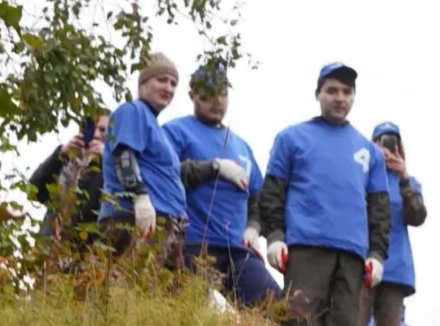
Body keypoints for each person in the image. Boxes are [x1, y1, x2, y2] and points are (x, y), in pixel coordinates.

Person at [252, 62, 391, 326]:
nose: (339, 97)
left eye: (346, 91)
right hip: (306, 248)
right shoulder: (291, 138)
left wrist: (378, 254)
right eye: (332, 90)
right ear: (318, 94)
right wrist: (274, 237)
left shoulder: (370, 152)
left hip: (352, 254)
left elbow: (379, 209)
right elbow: (272, 192)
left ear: (354, 96)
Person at [162, 64, 280, 306]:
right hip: (193, 245)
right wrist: (214, 167)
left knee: (277, 308)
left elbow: (258, 198)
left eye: (223, 94)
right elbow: (163, 175)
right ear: (192, 95)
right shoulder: (175, 131)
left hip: (237, 249)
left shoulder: (242, 145)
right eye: (208, 94)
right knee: (188, 313)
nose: (217, 101)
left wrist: (254, 227)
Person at [99, 56, 189, 266]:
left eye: (173, 83)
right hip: (136, 219)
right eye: (161, 80)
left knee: (164, 296)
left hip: (167, 223)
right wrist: (139, 196)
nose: (168, 88)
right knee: (130, 289)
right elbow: (124, 155)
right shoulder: (132, 111)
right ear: (142, 84)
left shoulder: (158, 127)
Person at [358, 121, 427, 326]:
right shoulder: (361, 176)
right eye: (381, 141)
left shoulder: (408, 182)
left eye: (392, 142)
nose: (386, 148)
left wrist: (405, 178)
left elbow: (418, 216)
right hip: (363, 263)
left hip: (396, 267)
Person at [28, 112, 107, 250]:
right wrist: (61, 155)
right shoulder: (66, 162)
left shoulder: (110, 169)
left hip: (83, 253)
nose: (96, 135)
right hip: (49, 248)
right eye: (92, 128)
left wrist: (106, 161)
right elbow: (34, 191)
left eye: (103, 130)